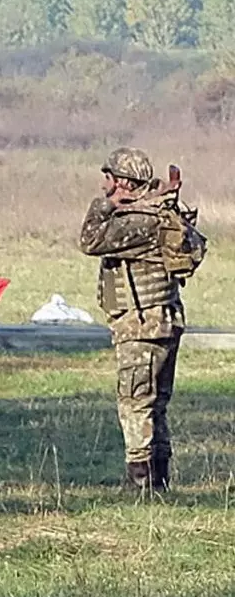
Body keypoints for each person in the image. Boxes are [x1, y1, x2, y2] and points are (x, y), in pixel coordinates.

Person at [79, 148, 206, 493]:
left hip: (140, 326)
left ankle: (141, 483)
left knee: (135, 404)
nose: (105, 186)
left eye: (109, 179)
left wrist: (107, 205)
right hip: (163, 321)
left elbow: (89, 239)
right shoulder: (160, 215)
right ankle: (159, 479)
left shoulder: (138, 223)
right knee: (156, 404)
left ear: (123, 182)